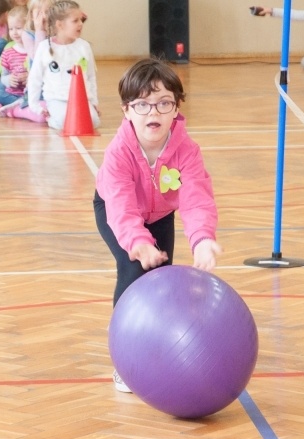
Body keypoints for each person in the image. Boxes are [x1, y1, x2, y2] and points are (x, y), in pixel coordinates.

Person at [93, 58, 222, 392]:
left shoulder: (187, 151)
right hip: (116, 212)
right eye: (142, 104)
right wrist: (138, 242)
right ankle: (125, 360)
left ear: (176, 108)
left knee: (160, 279)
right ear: (126, 110)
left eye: (164, 103)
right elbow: (120, 204)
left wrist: (202, 238)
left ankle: (159, 347)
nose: (153, 112)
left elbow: (195, 197)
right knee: (134, 273)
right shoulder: (118, 152)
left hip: (160, 213)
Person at [24, 0, 100, 129]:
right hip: (56, 99)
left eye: (81, 20)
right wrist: (35, 106)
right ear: (60, 25)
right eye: (75, 21)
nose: (81, 24)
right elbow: (35, 78)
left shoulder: (84, 46)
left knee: (94, 122)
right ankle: (51, 117)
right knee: (62, 123)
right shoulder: (44, 47)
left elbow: (91, 76)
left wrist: (93, 102)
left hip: (81, 99)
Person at [0, 6, 31, 111]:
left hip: (31, 93)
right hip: (13, 94)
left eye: (18, 28)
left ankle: (17, 105)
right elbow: (3, 76)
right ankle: (20, 104)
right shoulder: (8, 52)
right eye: (11, 29)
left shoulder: (34, 50)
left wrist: (29, 76)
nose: (14, 32)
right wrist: (8, 80)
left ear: (28, 27)